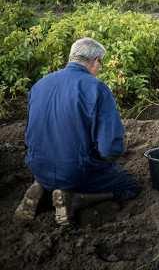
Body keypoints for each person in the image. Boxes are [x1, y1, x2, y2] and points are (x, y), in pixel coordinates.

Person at [14, 38, 141, 225]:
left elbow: (30, 135)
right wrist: (106, 161)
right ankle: (76, 198)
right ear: (96, 60)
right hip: (74, 172)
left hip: (37, 167)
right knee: (130, 186)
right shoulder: (96, 88)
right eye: (101, 63)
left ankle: (43, 186)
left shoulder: (40, 84)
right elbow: (110, 149)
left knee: (58, 163)